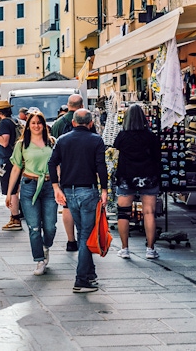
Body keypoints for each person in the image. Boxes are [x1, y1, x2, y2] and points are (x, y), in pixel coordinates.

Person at [48, 109, 108, 293]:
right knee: (86, 236)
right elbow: (101, 166)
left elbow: (51, 163)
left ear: (73, 122)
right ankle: (81, 280)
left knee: (83, 233)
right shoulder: (96, 140)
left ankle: (90, 274)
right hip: (88, 190)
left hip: (69, 191)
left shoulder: (62, 140)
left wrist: (56, 187)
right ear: (90, 123)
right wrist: (104, 189)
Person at [6, 110, 57, 276]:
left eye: (39, 122)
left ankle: (45, 246)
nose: (36, 126)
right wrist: (9, 193)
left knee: (50, 226)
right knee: (34, 227)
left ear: (44, 125)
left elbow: (58, 167)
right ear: (28, 126)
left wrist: (59, 187)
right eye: (33, 123)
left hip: (49, 186)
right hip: (29, 185)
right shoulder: (22, 145)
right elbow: (15, 169)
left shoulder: (52, 142)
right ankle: (39, 260)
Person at [113, 105, 162, 260]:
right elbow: (157, 157)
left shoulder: (122, 136)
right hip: (148, 177)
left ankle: (125, 249)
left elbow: (115, 152)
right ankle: (150, 249)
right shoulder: (150, 136)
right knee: (149, 213)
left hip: (126, 177)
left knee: (123, 213)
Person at [51, 94, 88, 252]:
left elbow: (52, 147)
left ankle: (70, 240)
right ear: (81, 105)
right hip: (84, 168)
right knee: (85, 205)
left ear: (68, 105)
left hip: (64, 169)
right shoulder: (85, 119)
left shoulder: (58, 123)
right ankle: (84, 239)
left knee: (67, 206)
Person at [0, 100, 23, 231]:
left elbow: (4, 142)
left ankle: (15, 217)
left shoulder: (4, 123)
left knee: (11, 190)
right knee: (15, 188)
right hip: (15, 158)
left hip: (8, 160)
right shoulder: (14, 121)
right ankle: (16, 215)